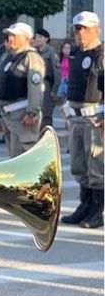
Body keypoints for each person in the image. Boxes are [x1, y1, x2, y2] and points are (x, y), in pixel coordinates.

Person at [59, 12, 102, 229]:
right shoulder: (75, 53)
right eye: (77, 29)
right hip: (76, 117)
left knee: (97, 165)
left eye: (85, 28)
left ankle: (97, 211)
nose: (80, 33)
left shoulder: (101, 55)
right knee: (79, 165)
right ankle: (84, 206)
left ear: (97, 30)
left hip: (95, 118)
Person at [0, 22, 47, 159]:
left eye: (14, 35)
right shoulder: (11, 57)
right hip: (9, 115)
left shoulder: (31, 58)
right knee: (13, 156)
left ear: (26, 38)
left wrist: (32, 113)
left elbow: (35, 88)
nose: (10, 39)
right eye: (9, 35)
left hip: (22, 116)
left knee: (23, 157)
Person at [33, 29, 63, 131]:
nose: (38, 39)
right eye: (37, 37)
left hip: (46, 86)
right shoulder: (33, 51)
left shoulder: (51, 52)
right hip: (34, 86)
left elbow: (57, 73)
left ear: (46, 39)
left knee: (46, 114)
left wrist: (55, 90)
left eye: (41, 37)